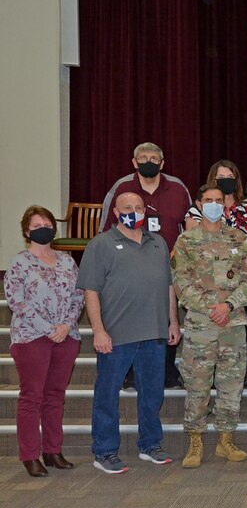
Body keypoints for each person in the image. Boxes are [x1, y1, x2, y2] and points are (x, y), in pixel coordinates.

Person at [78, 192, 180, 474]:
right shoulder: (101, 244)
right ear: (115, 212)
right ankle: (105, 451)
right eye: (127, 208)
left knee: (151, 395)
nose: (133, 212)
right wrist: (98, 330)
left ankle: (150, 445)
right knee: (107, 395)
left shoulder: (158, 243)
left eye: (138, 207)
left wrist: (173, 322)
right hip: (117, 336)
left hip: (154, 334)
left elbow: (169, 286)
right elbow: (91, 291)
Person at [173, 184, 247, 468]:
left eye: (218, 201)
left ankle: (225, 440)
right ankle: (195, 442)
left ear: (225, 205)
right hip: (201, 324)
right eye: (208, 200)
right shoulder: (186, 241)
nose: (213, 204)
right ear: (199, 204)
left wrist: (229, 306)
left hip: (232, 324)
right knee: (197, 385)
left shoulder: (239, 238)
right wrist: (212, 307)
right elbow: (181, 283)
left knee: (231, 384)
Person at [99, 142, 190, 389]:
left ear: (162, 163)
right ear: (134, 162)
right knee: (131, 317)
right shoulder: (122, 188)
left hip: (169, 264)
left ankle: (167, 371)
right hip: (129, 267)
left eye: (154, 157)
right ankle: (128, 372)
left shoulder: (178, 188)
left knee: (166, 317)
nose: (148, 161)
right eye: (143, 157)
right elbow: (106, 226)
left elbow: (190, 226)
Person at [5, 206, 83, 477]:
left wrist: (66, 326)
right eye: (37, 225)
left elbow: (78, 296)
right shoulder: (19, 262)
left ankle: (53, 451)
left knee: (55, 396)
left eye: (47, 224)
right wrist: (48, 328)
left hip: (66, 335)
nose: (43, 228)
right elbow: (17, 301)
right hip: (31, 337)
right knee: (32, 396)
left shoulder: (67, 261)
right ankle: (29, 455)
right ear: (27, 231)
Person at [184, 160, 247, 386]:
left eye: (231, 176)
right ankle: (207, 375)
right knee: (210, 329)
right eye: (221, 177)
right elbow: (192, 250)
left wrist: (246, 268)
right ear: (213, 179)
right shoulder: (198, 209)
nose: (226, 180)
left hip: (243, 282)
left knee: (240, 327)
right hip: (209, 284)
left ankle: (239, 373)